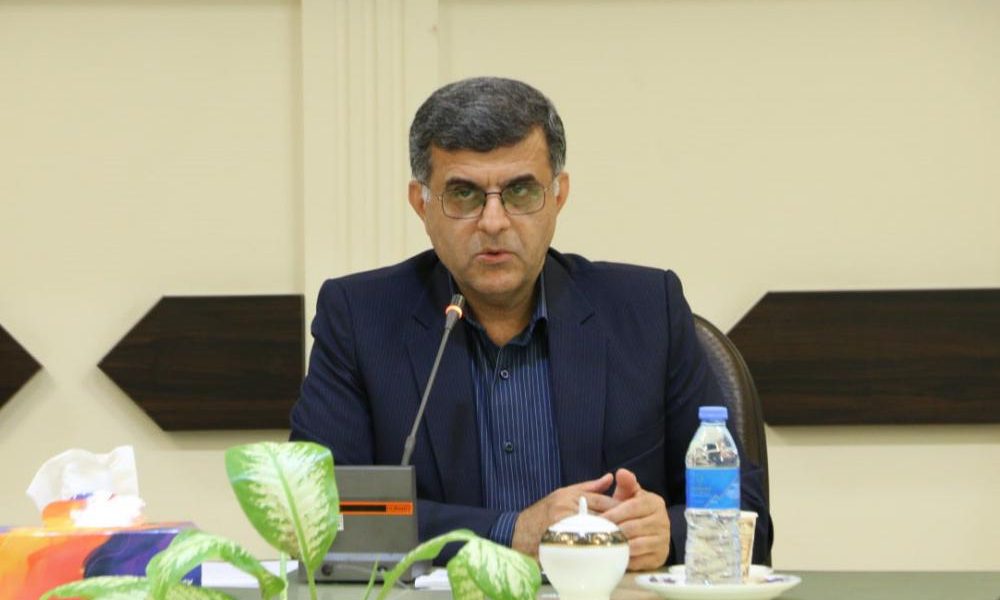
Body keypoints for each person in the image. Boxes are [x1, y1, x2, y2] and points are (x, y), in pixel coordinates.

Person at [290, 76, 771, 570]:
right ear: (422, 203)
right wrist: (511, 532)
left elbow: (747, 511)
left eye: (520, 192)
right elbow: (318, 514)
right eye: (464, 195)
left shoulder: (647, 311)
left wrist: (668, 534)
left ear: (558, 195)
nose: (494, 221)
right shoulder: (361, 318)